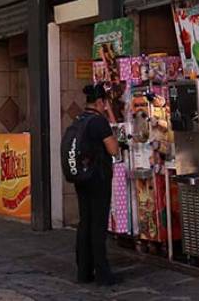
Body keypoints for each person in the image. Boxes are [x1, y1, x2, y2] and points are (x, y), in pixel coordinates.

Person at [75, 84, 120, 286]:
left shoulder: (80, 120)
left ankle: (83, 272)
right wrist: (110, 114)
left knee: (85, 222)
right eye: (105, 103)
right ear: (100, 102)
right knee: (98, 225)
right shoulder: (99, 122)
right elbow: (113, 149)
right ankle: (102, 273)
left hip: (82, 179)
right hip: (98, 179)